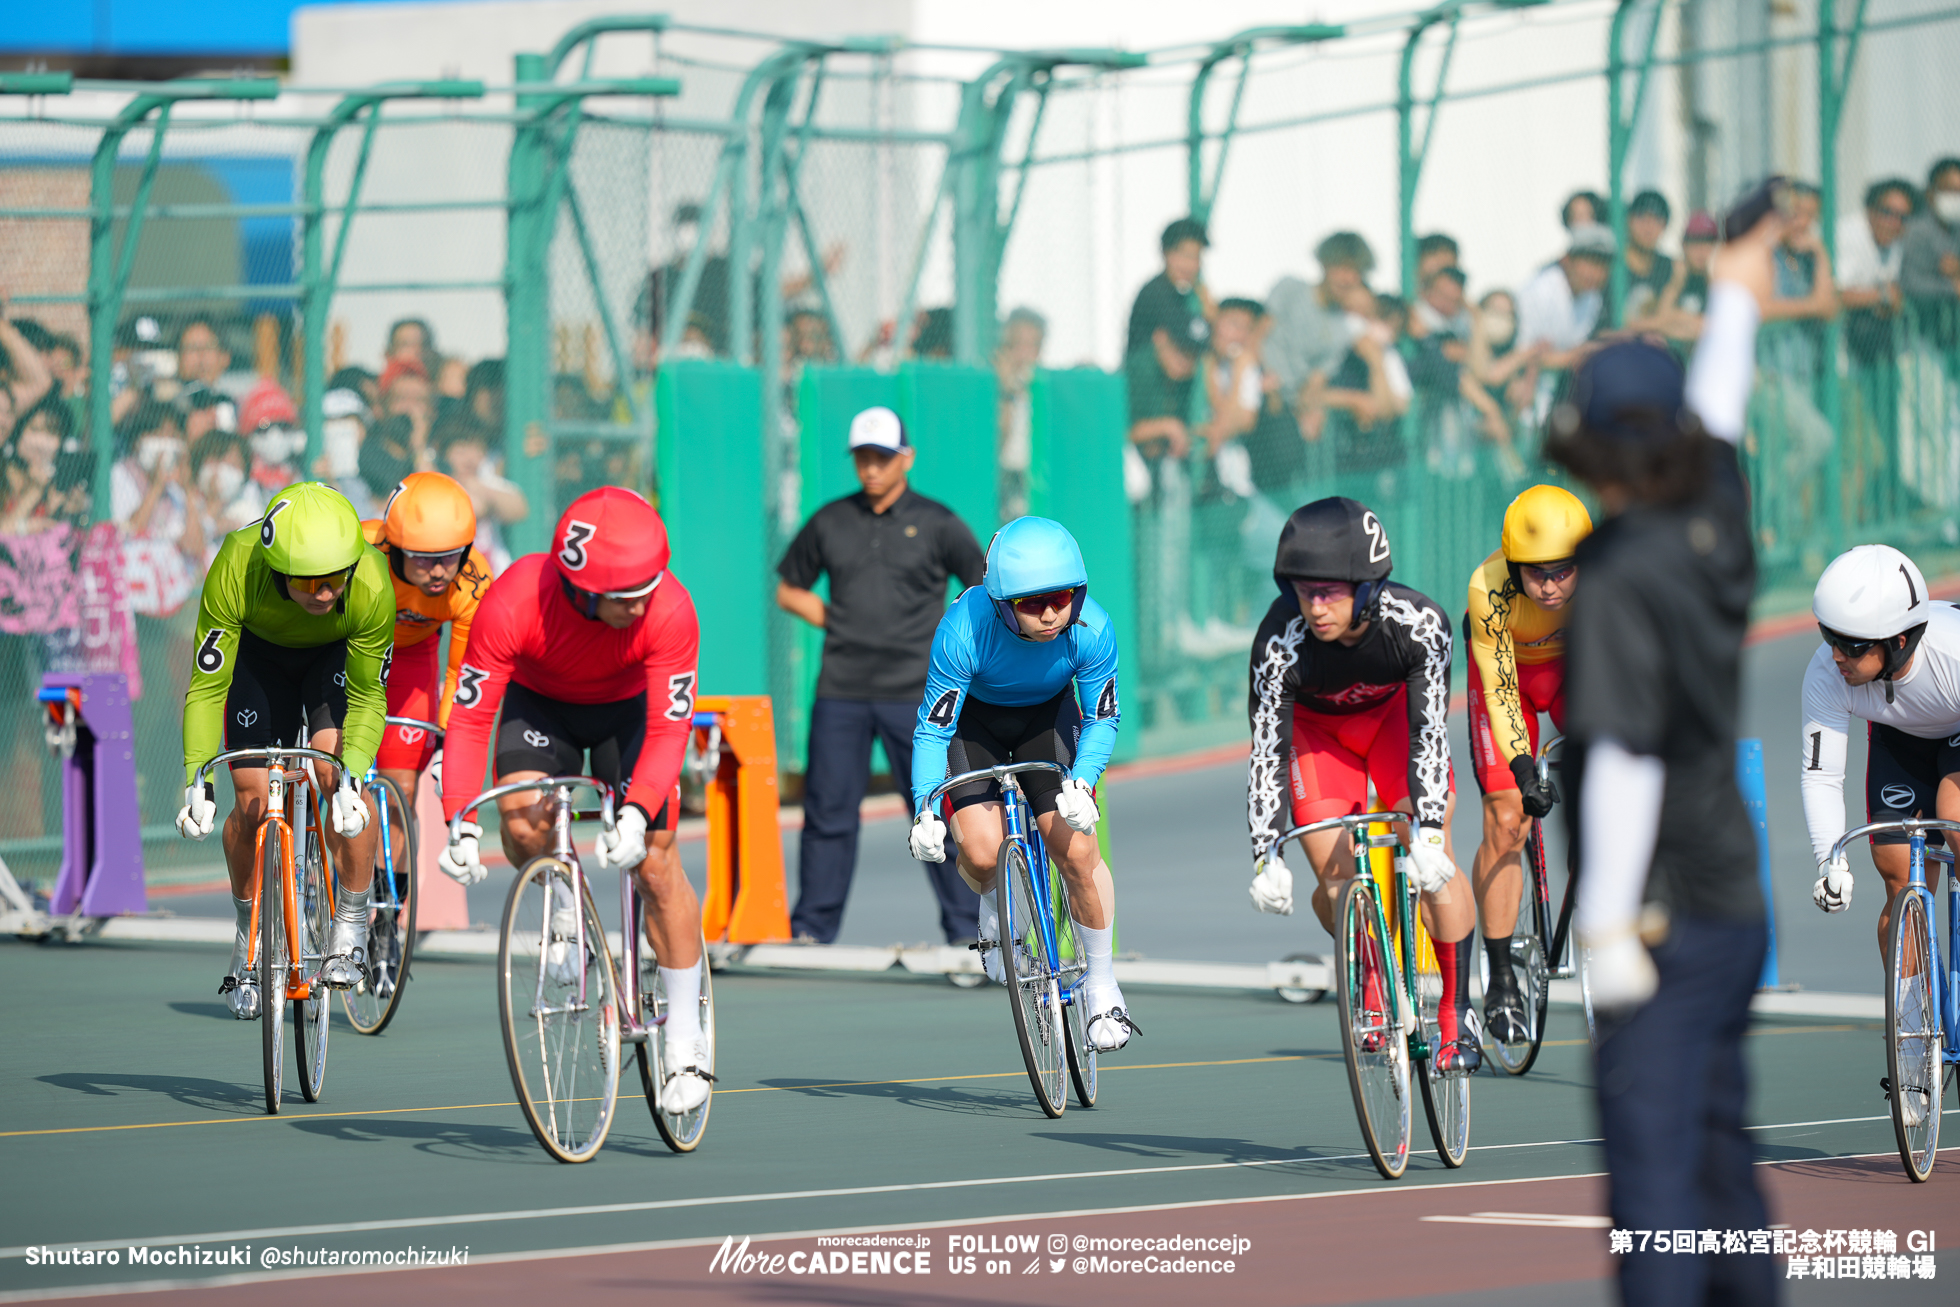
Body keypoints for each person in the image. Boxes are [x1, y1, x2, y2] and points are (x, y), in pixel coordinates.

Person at [1545, 195, 1781, 1305]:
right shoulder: (1718, 514)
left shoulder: (1616, 574)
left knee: (1651, 1185)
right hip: (1734, 895)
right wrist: (1734, 281)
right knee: (1718, 1152)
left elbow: (1625, 752)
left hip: (1662, 908)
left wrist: (1603, 924)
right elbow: (1722, 408)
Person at [437, 487, 709, 1113]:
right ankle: (563, 906)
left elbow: (669, 730)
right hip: (543, 706)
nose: (643, 602)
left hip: (630, 714)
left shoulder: (670, 609)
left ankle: (686, 1045)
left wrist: (638, 812)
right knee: (524, 822)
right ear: (581, 588)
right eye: (626, 597)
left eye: (649, 587)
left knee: (657, 863)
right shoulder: (512, 601)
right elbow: (472, 719)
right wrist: (459, 818)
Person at [1243, 497, 1476, 1069]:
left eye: (1330, 592)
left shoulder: (1421, 625)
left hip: (1396, 725)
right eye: (1303, 592)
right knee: (1336, 877)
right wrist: (1266, 853)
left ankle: (1455, 1012)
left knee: (1435, 856)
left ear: (1367, 585)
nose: (1315, 608)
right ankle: (1369, 972)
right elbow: (1268, 751)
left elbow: (1430, 733)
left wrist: (1423, 827)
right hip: (1320, 739)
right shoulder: (1278, 643)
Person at [907, 516, 1136, 1049]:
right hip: (975, 725)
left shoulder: (1093, 629)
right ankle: (991, 906)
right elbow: (933, 728)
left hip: (1046, 723)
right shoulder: (962, 629)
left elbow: (1102, 718)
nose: (1051, 614)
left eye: (1061, 597)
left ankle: (1103, 986)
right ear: (999, 601)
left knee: (1077, 852)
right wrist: (925, 809)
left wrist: (1082, 781)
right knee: (983, 856)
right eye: (1031, 604)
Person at [175, 482, 390, 1018]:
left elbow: (368, 696)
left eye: (335, 578)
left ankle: (352, 923)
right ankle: (249, 935)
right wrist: (195, 777)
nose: (325, 594)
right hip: (258, 658)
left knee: (333, 779)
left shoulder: (370, 583)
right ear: (276, 569)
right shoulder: (236, 565)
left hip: (331, 662)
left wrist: (354, 775)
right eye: (311, 582)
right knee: (250, 803)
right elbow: (206, 687)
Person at [777, 407, 987, 945]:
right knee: (827, 814)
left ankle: (968, 932)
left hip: (918, 695)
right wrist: (835, 618)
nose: (871, 468)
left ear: (906, 459)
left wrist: (952, 642)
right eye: (863, 458)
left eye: (882, 458)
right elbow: (789, 588)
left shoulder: (939, 522)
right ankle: (813, 930)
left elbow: (984, 587)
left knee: (935, 812)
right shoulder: (830, 520)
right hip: (841, 690)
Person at [1799, 543, 1959, 1125]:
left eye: (1851, 645)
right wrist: (1828, 860)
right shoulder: (1828, 672)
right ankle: (1916, 1044)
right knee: (1900, 877)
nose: (1835, 654)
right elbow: (1821, 774)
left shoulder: (1953, 653)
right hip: (1900, 740)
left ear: (1898, 641)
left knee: (1954, 809)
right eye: (1828, 635)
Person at [1462, 484, 1592, 1042]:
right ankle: (1500, 980)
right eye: (1536, 573)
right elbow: (1499, 690)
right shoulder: (1487, 589)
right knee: (1507, 818)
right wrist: (1521, 769)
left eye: (1564, 571)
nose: (1551, 585)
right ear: (1513, 567)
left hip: (1573, 674)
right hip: (1508, 680)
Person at [362, 472, 493, 871]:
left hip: (412, 658)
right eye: (422, 558)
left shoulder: (473, 581)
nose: (438, 572)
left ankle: (391, 909)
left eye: (450, 557)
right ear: (394, 547)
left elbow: (459, 672)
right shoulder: (360, 552)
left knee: (400, 787)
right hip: (349, 653)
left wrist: (447, 744)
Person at [1124, 217, 1213, 457]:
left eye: (1196, 257)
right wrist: (1209, 314)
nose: (1190, 265)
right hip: (1145, 401)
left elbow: (1204, 340)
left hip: (1165, 405)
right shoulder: (1156, 293)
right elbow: (1196, 337)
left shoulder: (1185, 297)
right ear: (1165, 254)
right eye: (1183, 255)